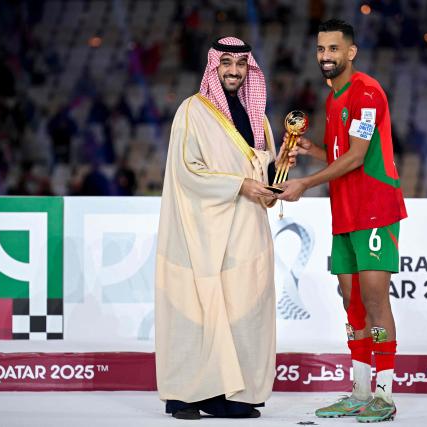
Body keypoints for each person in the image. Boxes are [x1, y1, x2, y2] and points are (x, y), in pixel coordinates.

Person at [154, 37, 293, 420]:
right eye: (226, 63)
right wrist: (240, 185)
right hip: (202, 232)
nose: (234, 70)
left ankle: (235, 395)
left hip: (247, 231)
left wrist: (279, 168)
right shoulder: (192, 111)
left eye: (241, 64)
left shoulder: (257, 115)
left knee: (242, 313)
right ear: (213, 67)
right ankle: (187, 395)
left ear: (250, 69)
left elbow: (263, 184)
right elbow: (187, 171)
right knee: (199, 312)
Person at [279, 19, 407, 423]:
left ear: (350, 52)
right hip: (346, 212)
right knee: (351, 301)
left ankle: (384, 395)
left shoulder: (367, 92)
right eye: (321, 49)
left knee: (373, 300)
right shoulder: (333, 99)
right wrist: (312, 148)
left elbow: (355, 158)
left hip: (374, 209)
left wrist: (305, 183)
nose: (325, 56)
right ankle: (360, 391)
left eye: (334, 49)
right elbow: (340, 155)